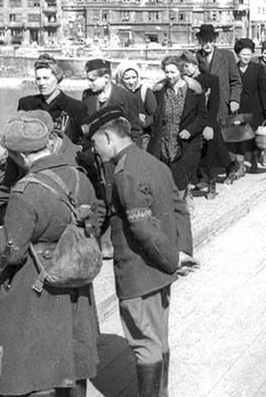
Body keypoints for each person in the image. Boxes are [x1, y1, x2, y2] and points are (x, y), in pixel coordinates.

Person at [0, 111, 101, 397]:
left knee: (34, 367)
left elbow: (12, 251)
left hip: (37, 285)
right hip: (75, 278)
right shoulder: (79, 177)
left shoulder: (25, 190)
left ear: (21, 157)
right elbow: (94, 225)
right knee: (72, 359)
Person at [89, 108, 198, 397]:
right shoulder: (154, 164)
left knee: (145, 345)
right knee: (159, 340)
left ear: (109, 138)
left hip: (138, 275)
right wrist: (180, 253)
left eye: (95, 143)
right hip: (160, 275)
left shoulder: (125, 174)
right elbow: (179, 209)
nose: (95, 150)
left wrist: (172, 259)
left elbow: (142, 229)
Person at [148, 55, 209, 193]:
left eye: (173, 72)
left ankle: (184, 207)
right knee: (165, 178)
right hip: (164, 141)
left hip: (186, 142)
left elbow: (202, 116)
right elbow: (154, 113)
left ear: (181, 72)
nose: (169, 76)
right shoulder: (159, 91)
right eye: (167, 72)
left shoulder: (194, 91)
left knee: (181, 178)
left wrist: (190, 130)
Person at [181, 53, 230, 197]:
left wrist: (209, 125)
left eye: (187, 65)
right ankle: (200, 180)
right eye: (182, 66)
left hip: (207, 121)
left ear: (196, 65)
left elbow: (214, 104)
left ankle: (212, 185)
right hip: (192, 123)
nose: (184, 69)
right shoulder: (185, 81)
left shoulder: (210, 79)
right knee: (194, 155)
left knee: (208, 156)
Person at [17, 56, 87, 146]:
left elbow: (84, 143)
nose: (41, 83)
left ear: (57, 78)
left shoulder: (76, 108)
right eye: (38, 79)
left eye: (46, 78)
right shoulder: (26, 104)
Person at [227, 39, 266, 174]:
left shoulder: (258, 69)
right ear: (237, 55)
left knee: (253, 137)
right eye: (243, 54)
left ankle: (254, 160)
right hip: (239, 108)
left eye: (249, 54)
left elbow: (263, 91)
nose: (246, 57)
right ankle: (240, 165)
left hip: (255, 108)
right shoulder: (233, 69)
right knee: (239, 137)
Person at [81, 58, 144, 144]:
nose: (89, 83)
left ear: (106, 78)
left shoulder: (127, 98)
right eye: (88, 79)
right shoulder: (87, 95)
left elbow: (136, 132)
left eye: (92, 80)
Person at [115, 62, 158, 149]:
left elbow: (154, 114)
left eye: (134, 77)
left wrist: (142, 123)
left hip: (142, 137)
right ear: (120, 78)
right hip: (120, 138)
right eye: (127, 78)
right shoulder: (116, 94)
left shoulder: (145, 92)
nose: (131, 82)